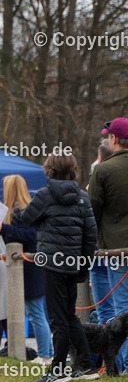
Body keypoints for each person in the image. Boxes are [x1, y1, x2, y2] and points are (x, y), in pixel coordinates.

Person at [23, 153, 99, 382]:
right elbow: (90, 235)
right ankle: (86, 364)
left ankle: (58, 369)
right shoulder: (83, 198)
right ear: (73, 170)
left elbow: (26, 218)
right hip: (72, 264)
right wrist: (83, 266)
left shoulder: (45, 196)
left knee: (58, 319)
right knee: (68, 315)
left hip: (52, 265)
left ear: (50, 170)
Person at [0, 174, 52, 362]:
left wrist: (3, 229)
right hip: (29, 268)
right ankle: (46, 352)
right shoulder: (26, 210)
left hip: (30, 269)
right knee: (35, 312)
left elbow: (29, 236)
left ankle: (45, 354)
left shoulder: (21, 211)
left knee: (36, 313)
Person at [89, 118, 128, 372]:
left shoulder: (102, 170)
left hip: (116, 248)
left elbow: (92, 213)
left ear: (113, 139)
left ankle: (123, 365)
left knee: (121, 308)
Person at [87, 139, 115, 324]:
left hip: (103, 250)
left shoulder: (101, 176)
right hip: (115, 249)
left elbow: (92, 216)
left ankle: (111, 353)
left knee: (106, 312)